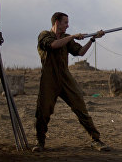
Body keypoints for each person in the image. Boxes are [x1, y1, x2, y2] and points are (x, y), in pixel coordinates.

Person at [32, 12, 109, 152]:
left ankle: (95, 139)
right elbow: (53, 45)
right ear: (56, 22)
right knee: (43, 111)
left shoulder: (67, 38)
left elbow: (80, 52)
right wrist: (73, 36)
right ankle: (40, 141)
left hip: (65, 78)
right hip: (49, 79)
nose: (68, 25)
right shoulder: (44, 35)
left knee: (81, 107)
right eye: (65, 22)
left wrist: (92, 39)